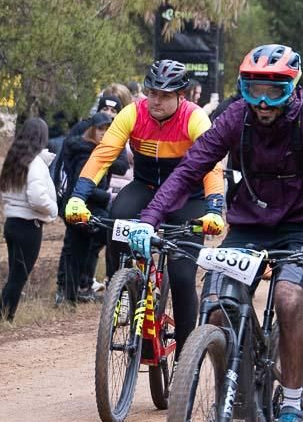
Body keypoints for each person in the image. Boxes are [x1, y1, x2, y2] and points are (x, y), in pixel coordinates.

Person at [125, 44, 303, 422]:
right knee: (216, 311)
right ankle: (238, 401)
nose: (262, 102)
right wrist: (148, 219)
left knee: (287, 298)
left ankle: (292, 404)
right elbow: (191, 167)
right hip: (247, 227)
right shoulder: (237, 117)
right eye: (254, 89)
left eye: (274, 91)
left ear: (293, 88)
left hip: (300, 228)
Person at [63, 60, 224, 359]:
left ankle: (185, 360)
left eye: (164, 95)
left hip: (189, 198)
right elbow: (103, 154)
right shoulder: (133, 113)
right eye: (152, 93)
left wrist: (215, 208)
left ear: (181, 96)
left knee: (182, 274)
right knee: (116, 218)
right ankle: (121, 289)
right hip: (146, 188)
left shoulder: (195, 118)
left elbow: (212, 167)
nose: (156, 101)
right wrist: (78, 196)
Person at [53, 112, 125, 303]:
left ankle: (72, 295)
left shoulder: (95, 150)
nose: (104, 133)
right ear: (92, 130)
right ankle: (112, 290)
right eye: (100, 128)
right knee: (109, 240)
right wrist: (107, 197)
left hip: (85, 209)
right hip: (83, 209)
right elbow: (82, 185)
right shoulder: (86, 152)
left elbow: (123, 164)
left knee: (79, 251)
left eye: (107, 129)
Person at [0, 118, 57, 322]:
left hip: (12, 223)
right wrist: (53, 210)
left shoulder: (15, 158)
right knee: (18, 278)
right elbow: (37, 197)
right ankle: (5, 320)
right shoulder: (36, 163)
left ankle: (4, 318)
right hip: (28, 226)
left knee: (14, 276)